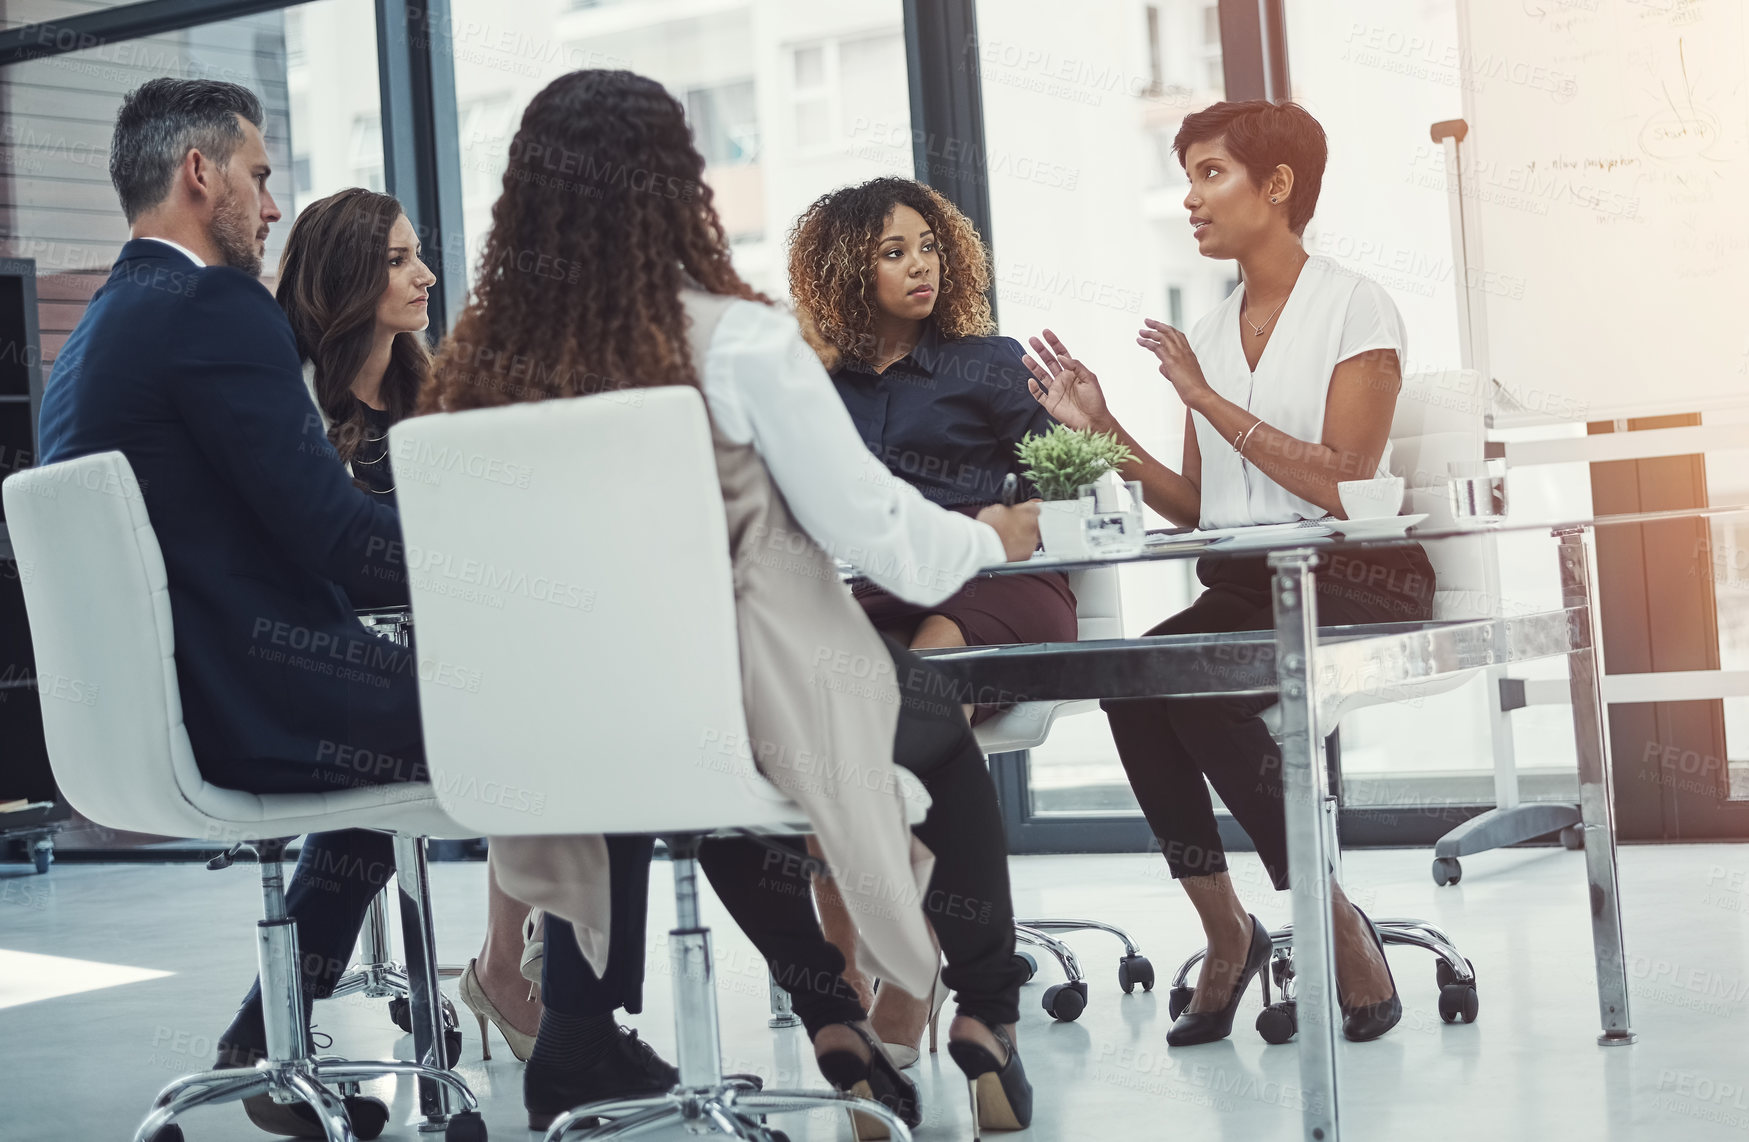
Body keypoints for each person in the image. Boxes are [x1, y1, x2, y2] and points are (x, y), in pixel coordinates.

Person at [420, 68, 1041, 1136]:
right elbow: (876, 530)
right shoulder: (738, 342)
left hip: (566, 725)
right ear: (679, 187)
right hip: (738, 703)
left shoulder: (483, 366)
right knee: (930, 730)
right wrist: (988, 535)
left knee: (721, 803)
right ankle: (986, 1014)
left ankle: (828, 1020)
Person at [35, 79, 414, 1138]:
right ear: (199, 174)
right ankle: (566, 1019)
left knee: (392, 767)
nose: (273, 204)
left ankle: (260, 1048)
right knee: (549, 700)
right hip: (256, 697)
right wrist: (486, 559)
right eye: (259, 174)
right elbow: (332, 534)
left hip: (160, 710)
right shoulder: (214, 307)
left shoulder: (103, 328)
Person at [1021, 99, 1435, 1047]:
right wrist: (1106, 433)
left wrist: (1202, 398)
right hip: (1251, 583)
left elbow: (1346, 482)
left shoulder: (1353, 304)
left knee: (1201, 693)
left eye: (1210, 174)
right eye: (1190, 177)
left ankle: (1334, 927)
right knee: (1129, 678)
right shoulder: (1204, 332)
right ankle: (1226, 929)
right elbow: (1201, 508)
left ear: (1277, 185)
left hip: (1359, 576)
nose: (1190, 199)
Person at [275, 187, 582, 1065]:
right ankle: (513, 966)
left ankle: (513, 960)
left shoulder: (437, 393)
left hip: (461, 648)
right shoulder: (293, 404)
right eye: (400, 259)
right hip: (349, 659)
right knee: (519, 714)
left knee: (551, 696)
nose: (428, 275)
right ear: (345, 275)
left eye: (419, 255)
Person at [785, 176, 1077, 1064]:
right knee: (828, 740)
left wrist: (1056, 468)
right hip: (873, 596)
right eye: (892, 252)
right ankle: (866, 988)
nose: (921, 266)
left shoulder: (988, 361)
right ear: (842, 272)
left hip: (990, 583)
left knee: (917, 704)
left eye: (927, 245)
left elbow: (1066, 486)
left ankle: (912, 978)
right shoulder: (813, 388)